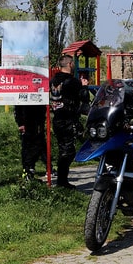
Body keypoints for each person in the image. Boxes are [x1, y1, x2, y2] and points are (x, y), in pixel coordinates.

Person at [49, 55, 83, 189]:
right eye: (73, 63)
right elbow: (80, 98)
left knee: (63, 148)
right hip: (68, 118)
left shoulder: (53, 80)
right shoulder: (73, 81)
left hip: (57, 118)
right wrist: (84, 87)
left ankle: (62, 180)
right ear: (69, 64)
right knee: (68, 151)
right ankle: (62, 181)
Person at [14, 104, 48, 181]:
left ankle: (31, 169)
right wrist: (20, 123)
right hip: (27, 121)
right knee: (29, 146)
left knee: (39, 145)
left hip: (38, 121)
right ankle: (27, 170)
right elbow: (18, 107)